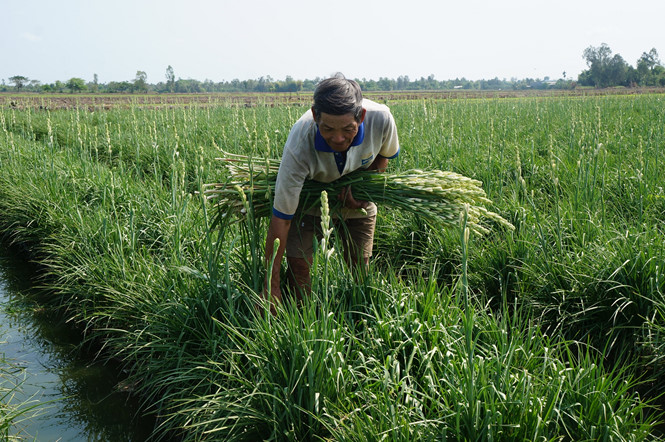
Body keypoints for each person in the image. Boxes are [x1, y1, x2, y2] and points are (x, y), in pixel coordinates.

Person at [263, 74, 400, 312]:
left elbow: (383, 158)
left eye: (348, 129)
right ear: (316, 116)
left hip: (356, 196)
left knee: (360, 267)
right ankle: (301, 317)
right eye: (327, 129)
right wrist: (271, 286)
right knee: (299, 267)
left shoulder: (381, 119)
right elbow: (281, 220)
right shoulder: (300, 141)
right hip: (309, 196)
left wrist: (363, 188)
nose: (338, 138)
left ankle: (360, 315)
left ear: (362, 117)